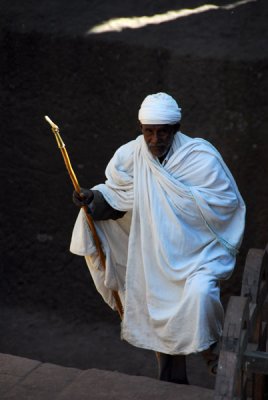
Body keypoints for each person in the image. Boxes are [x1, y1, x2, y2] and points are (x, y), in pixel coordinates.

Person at [70, 92, 246, 384]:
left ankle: (214, 354)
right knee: (158, 307)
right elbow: (118, 197)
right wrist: (94, 199)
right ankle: (172, 384)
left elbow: (225, 203)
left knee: (201, 296)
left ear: (175, 129)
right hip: (154, 255)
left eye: (162, 132)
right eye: (148, 132)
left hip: (198, 256)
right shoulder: (129, 156)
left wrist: (181, 199)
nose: (155, 140)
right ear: (141, 129)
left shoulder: (200, 157)